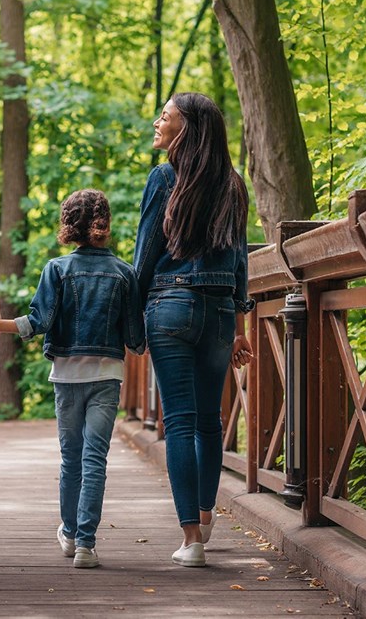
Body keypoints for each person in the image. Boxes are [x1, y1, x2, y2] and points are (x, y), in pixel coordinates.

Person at [0, 189, 145, 569]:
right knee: (95, 459)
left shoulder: (57, 269)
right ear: (105, 224)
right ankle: (86, 544)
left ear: (68, 225)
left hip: (67, 377)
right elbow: (136, 341)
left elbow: (38, 323)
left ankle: (69, 534)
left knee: (71, 458)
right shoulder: (125, 273)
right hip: (106, 377)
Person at [133, 92, 254, 567]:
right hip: (221, 313)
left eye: (167, 117)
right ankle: (204, 517)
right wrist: (240, 323)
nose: (159, 122)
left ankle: (191, 541)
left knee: (180, 422)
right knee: (209, 421)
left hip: (170, 307)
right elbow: (241, 262)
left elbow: (145, 256)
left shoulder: (164, 177)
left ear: (187, 129)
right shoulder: (235, 184)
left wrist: (131, 321)